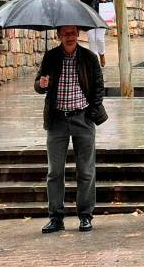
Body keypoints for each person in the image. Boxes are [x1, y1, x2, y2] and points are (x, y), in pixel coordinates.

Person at [34, 25, 107, 234]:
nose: (70, 37)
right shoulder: (51, 57)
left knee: (85, 171)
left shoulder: (89, 57)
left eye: (73, 33)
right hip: (57, 120)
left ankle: (85, 216)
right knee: (54, 172)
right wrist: (42, 84)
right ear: (58, 36)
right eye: (65, 33)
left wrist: (91, 113)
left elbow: (99, 87)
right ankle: (56, 217)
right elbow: (38, 85)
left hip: (82, 118)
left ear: (78, 35)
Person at [81, 0, 112, 67]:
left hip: (101, 17)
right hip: (89, 16)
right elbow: (82, 0)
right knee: (92, 39)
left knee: (99, 39)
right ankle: (94, 60)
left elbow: (111, 2)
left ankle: (101, 54)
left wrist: (104, 0)